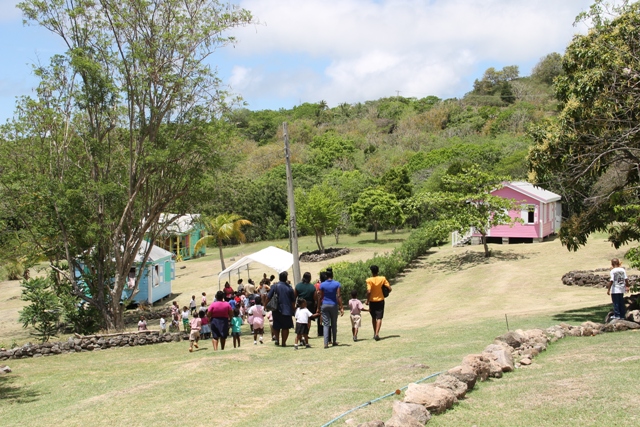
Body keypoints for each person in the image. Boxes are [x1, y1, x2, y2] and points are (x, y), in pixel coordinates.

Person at [266, 271, 296, 347]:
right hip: (287, 309)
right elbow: (293, 301)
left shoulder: (274, 286)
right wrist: (294, 309)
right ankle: (283, 342)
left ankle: (277, 339)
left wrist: (266, 305)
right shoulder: (289, 288)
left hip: (276, 309)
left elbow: (268, 297)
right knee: (285, 327)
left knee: (276, 325)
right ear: (286, 278)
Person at [318, 269, 344, 348]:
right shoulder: (337, 284)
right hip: (333, 305)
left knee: (326, 324)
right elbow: (338, 296)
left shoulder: (322, 285)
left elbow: (320, 296)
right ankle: (334, 341)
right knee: (334, 324)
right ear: (332, 275)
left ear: (326, 276)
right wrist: (341, 307)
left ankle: (326, 343)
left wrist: (319, 307)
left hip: (325, 305)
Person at [365, 265, 392, 341]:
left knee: (373, 317)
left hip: (372, 301)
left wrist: (367, 300)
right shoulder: (382, 279)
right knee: (379, 317)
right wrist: (385, 293)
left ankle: (374, 333)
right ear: (378, 271)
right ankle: (377, 334)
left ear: (371, 272)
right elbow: (390, 288)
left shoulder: (369, 280)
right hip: (380, 300)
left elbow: (369, 291)